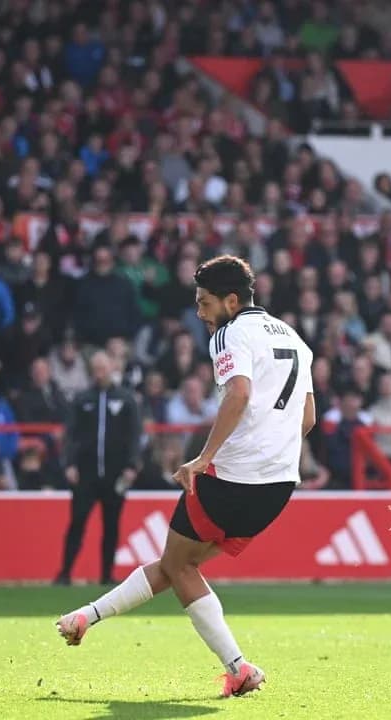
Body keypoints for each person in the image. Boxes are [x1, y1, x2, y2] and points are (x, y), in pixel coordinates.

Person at [57, 256, 314, 697]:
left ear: (231, 301)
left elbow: (239, 393)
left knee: (178, 564)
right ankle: (85, 617)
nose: (199, 313)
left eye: (204, 303)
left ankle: (238, 668)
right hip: (278, 485)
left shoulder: (230, 333)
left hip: (233, 475)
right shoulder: (293, 337)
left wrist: (203, 457)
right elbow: (306, 417)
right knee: (180, 566)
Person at [54, 351, 142, 586]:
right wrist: (70, 464)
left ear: (112, 367)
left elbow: (134, 436)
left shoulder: (126, 399)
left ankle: (107, 574)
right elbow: (70, 435)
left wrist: (132, 465)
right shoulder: (82, 399)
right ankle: (65, 573)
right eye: (96, 369)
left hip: (115, 475)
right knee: (77, 523)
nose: (100, 373)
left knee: (112, 526)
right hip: (85, 474)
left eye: (103, 368)